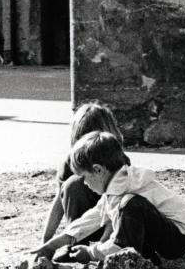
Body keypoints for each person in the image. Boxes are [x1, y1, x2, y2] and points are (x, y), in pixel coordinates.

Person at [30, 131, 185, 269]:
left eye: (85, 178)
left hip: (177, 238)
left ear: (98, 170)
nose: (85, 184)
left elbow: (119, 243)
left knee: (130, 206)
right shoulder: (115, 186)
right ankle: (145, 259)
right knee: (128, 211)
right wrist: (50, 246)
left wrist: (91, 253)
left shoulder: (124, 191)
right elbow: (88, 221)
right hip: (167, 232)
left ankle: (132, 265)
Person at [40, 101, 125, 244]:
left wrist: (102, 246)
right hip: (82, 226)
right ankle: (76, 242)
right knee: (73, 184)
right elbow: (59, 201)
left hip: (112, 225)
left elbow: (117, 203)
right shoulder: (70, 161)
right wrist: (46, 241)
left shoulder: (117, 159)